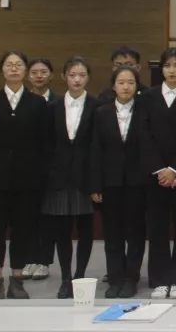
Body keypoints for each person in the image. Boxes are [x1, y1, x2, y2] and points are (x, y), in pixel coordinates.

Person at [0, 51, 51, 300]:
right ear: (2, 70)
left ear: (25, 70)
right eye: (9, 65)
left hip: (27, 180)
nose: (14, 68)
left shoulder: (37, 103)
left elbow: (44, 142)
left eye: (19, 65)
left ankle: (17, 279)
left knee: (22, 229)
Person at [140, 46, 176, 300]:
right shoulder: (148, 97)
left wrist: (175, 169)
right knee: (157, 227)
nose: (172, 70)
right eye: (167, 66)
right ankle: (160, 278)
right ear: (161, 69)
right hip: (156, 175)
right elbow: (143, 135)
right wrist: (160, 169)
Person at [41, 56, 99, 299]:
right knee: (62, 232)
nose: (77, 79)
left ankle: (80, 276)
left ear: (88, 78)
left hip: (85, 177)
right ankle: (65, 278)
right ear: (64, 76)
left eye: (82, 75)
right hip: (59, 177)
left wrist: (96, 182)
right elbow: (45, 144)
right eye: (72, 75)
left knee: (86, 230)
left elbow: (98, 146)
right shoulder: (52, 106)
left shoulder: (97, 105)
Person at [90, 65, 149, 299]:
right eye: (121, 82)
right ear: (113, 86)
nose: (126, 87)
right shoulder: (101, 113)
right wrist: (95, 184)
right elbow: (95, 150)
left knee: (135, 232)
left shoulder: (145, 111)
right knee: (112, 233)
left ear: (137, 86)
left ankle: (131, 277)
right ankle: (114, 278)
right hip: (110, 182)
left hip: (137, 182)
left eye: (131, 82)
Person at [23, 58, 55, 282]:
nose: (39, 76)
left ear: (51, 75)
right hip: (26, 168)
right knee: (27, 215)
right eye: (34, 72)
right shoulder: (22, 101)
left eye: (43, 72)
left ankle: (44, 261)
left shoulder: (58, 101)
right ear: (28, 75)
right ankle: (29, 258)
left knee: (47, 217)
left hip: (51, 168)